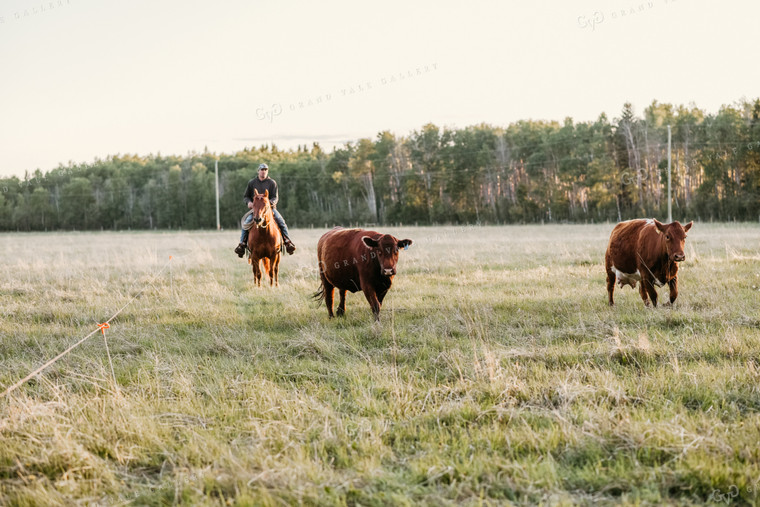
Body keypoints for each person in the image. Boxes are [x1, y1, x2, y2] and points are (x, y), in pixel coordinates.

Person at [234, 163, 296, 257]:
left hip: (270, 209)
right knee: (246, 223)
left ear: (267, 171)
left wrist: (268, 204)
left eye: (265, 170)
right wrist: (249, 203)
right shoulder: (252, 183)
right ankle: (242, 244)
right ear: (258, 171)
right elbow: (246, 197)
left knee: (281, 222)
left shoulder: (272, 183)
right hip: (256, 209)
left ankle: (287, 242)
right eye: (262, 170)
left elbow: (275, 198)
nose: (263, 171)